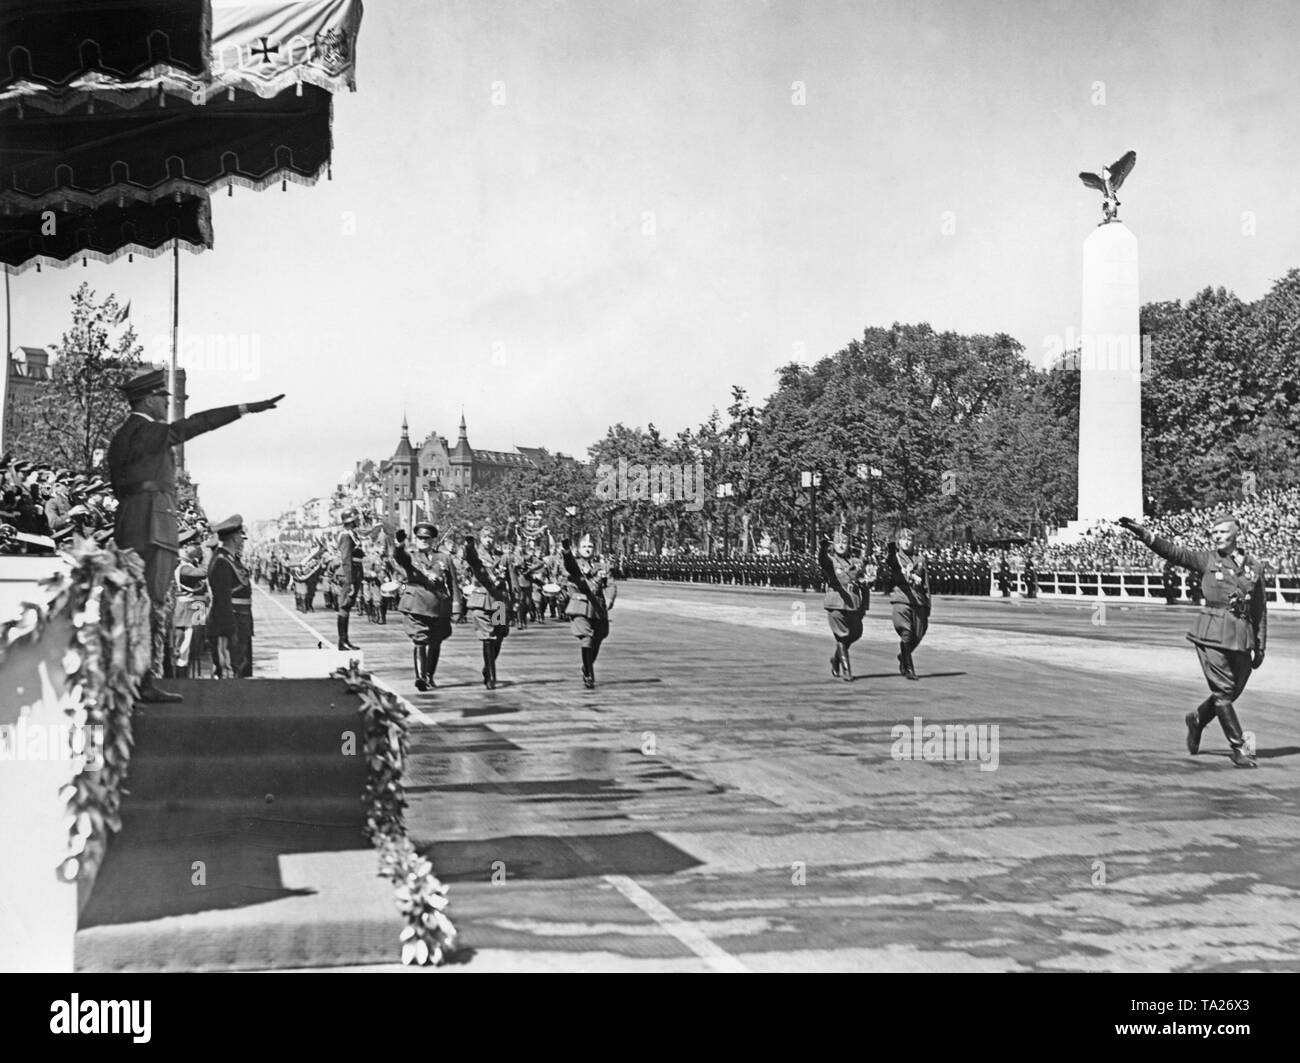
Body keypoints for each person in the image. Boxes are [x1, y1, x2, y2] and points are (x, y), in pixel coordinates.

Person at [107, 367, 282, 702]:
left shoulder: (123, 437)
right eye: (162, 397)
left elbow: (119, 484)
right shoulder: (146, 431)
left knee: (137, 601)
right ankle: (142, 682)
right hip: (151, 523)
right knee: (151, 602)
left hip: (133, 519)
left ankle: (136, 679)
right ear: (147, 399)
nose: (167, 403)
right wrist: (244, 408)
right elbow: (195, 425)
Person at [1119, 514, 1266, 768]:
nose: (1216, 536)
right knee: (1223, 692)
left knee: (1231, 691)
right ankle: (1238, 748)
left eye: (1222, 531)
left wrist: (1260, 645)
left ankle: (1197, 719)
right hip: (1211, 632)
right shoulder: (1206, 559)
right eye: (1214, 532)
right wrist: (1145, 534)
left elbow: (1259, 608)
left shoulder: (1254, 566)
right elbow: (1175, 553)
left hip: (1242, 636)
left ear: (1237, 532)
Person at [393, 523, 464, 691]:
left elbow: (453, 583)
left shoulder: (444, 558)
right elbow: (399, 557)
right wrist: (399, 544)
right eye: (419, 538)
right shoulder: (410, 556)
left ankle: (430, 676)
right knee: (420, 640)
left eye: (426, 538)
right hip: (416, 603)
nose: (423, 541)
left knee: (436, 641)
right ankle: (420, 678)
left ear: (433, 540)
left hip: (439, 605)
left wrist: (456, 607)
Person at [561, 534, 617, 688]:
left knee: (597, 638)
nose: (587, 549)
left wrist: (610, 598)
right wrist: (566, 551)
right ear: (578, 549)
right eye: (584, 546)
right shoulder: (575, 564)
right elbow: (570, 564)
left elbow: (611, 584)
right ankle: (589, 673)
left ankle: (587, 666)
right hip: (580, 606)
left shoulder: (602, 567)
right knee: (587, 637)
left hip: (597, 608)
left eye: (590, 546)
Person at [463, 525, 515, 689]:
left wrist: (514, 602)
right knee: (488, 637)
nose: (489, 540)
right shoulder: (476, 555)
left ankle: (487, 667)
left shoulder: (503, 557)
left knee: (499, 636)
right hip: (481, 600)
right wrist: (469, 546)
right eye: (486, 537)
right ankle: (491, 677)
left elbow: (511, 581)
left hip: (498, 602)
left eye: (492, 537)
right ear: (481, 538)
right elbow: (470, 562)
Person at [817, 531, 870, 682]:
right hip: (836, 602)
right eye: (838, 542)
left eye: (844, 543)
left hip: (853, 603)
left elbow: (863, 581)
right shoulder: (831, 561)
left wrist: (864, 605)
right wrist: (822, 549)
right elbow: (823, 561)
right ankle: (847, 670)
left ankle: (836, 659)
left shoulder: (854, 562)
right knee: (842, 635)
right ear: (834, 545)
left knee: (856, 633)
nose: (841, 545)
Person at [207, 514, 254, 678]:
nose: (242, 541)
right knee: (228, 675)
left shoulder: (230, 560)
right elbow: (222, 600)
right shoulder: (221, 561)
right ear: (234, 538)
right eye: (241, 537)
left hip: (241, 624)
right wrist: (230, 630)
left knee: (240, 672)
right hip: (229, 626)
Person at [886, 528, 931, 680]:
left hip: (919, 600)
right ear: (899, 541)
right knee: (906, 632)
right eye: (903, 539)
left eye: (909, 539)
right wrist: (891, 549)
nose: (906, 542)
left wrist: (928, 604)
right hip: (901, 598)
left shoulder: (920, 559)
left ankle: (903, 656)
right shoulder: (896, 558)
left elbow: (926, 584)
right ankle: (909, 668)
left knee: (919, 633)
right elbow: (891, 561)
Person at [172, 540, 210, 678]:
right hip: (186, 611)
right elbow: (204, 572)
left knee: (194, 645)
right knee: (184, 647)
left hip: (195, 609)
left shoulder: (189, 565)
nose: (198, 547)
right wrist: (207, 553)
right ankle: (181, 678)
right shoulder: (184, 568)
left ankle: (186, 675)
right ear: (185, 548)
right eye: (194, 545)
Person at [334, 507, 364, 650]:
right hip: (349, 573)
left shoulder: (352, 534)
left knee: (348, 605)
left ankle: (345, 640)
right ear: (351, 520)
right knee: (345, 605)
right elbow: (346, 558)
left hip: (355, 572)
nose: (359, 520)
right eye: (356, 518)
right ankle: (342, 641)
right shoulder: (346, 536)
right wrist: (350, 580)